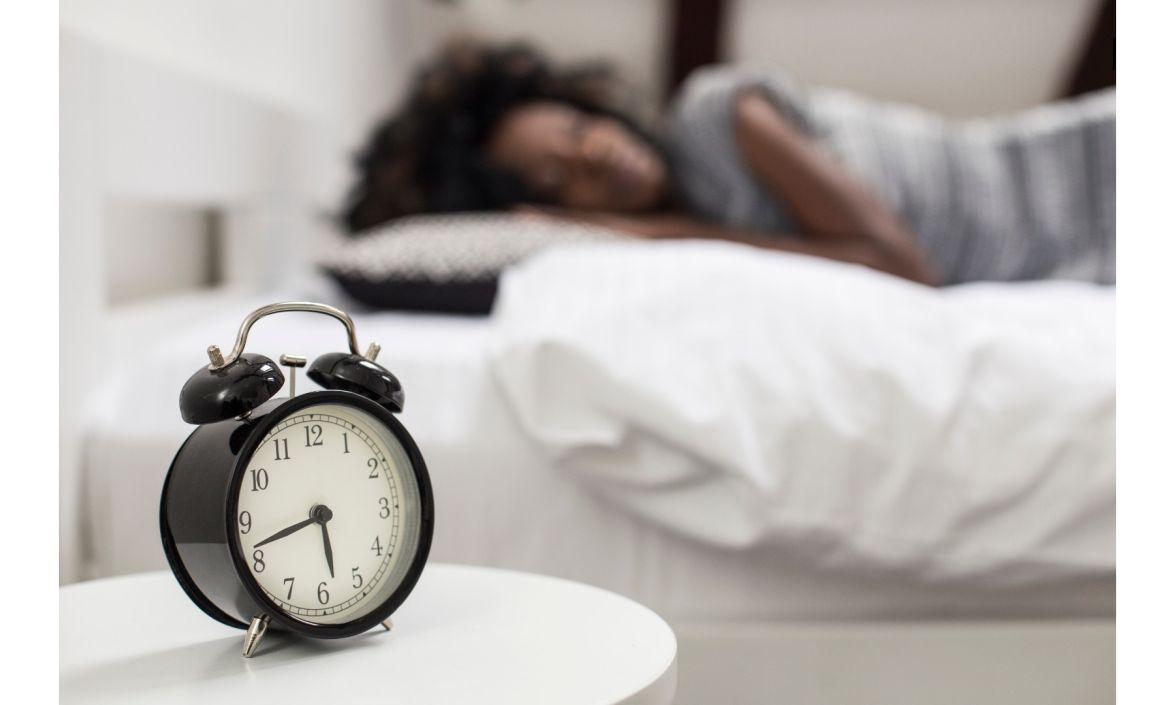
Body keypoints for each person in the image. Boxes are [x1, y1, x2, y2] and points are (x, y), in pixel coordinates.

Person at [342, 38, 1115, 286]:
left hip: (1089, 175)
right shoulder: (692, 242)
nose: (598, 156)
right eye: (559, 177)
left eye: (579, 129)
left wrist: (660, 233)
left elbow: (898, 264)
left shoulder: (717, 115)